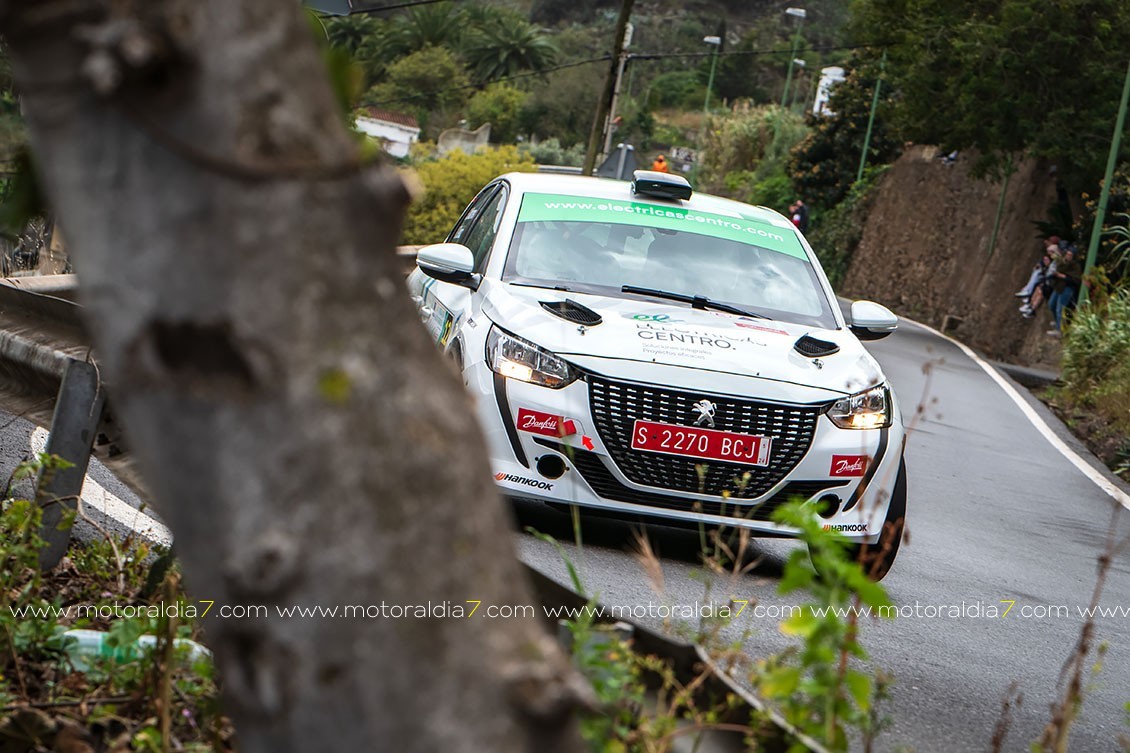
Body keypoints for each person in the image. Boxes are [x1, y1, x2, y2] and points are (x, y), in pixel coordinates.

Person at [1046, 247, 1081, 336]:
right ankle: (1058, 322)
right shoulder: (1062, 263)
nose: (1068, 256)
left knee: (1060, 309)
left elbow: (1075, 280)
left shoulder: (1075, 267)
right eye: (1067, 254)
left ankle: (1059, 330)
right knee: (1051, 305)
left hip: (1067, 288)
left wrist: (1062, 276)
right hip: (1058, 287)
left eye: (1070, 255)